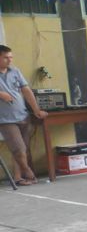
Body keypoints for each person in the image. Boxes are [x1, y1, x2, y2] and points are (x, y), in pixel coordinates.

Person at [0, 45, 46, 185]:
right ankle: (27, 172)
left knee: (22, 149)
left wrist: (36, 110)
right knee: (18, 148)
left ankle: (18, 178)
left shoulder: (15, 71)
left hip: (22, 115)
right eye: (6, 58)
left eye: (11, 57)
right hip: (5, 119)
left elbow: (26, 90)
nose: (9, 60)